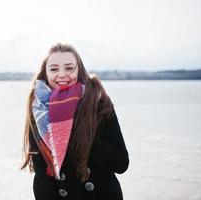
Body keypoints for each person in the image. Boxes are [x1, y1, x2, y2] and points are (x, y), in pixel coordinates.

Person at [21, 43, 129, 200]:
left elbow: (121, 163)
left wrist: (82, 137)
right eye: (54, 69)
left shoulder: (98, 103)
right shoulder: (39, 111)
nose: (62, 74)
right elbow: (42, 178)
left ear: (79, 71)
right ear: (45, 73)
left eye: (69, 68)